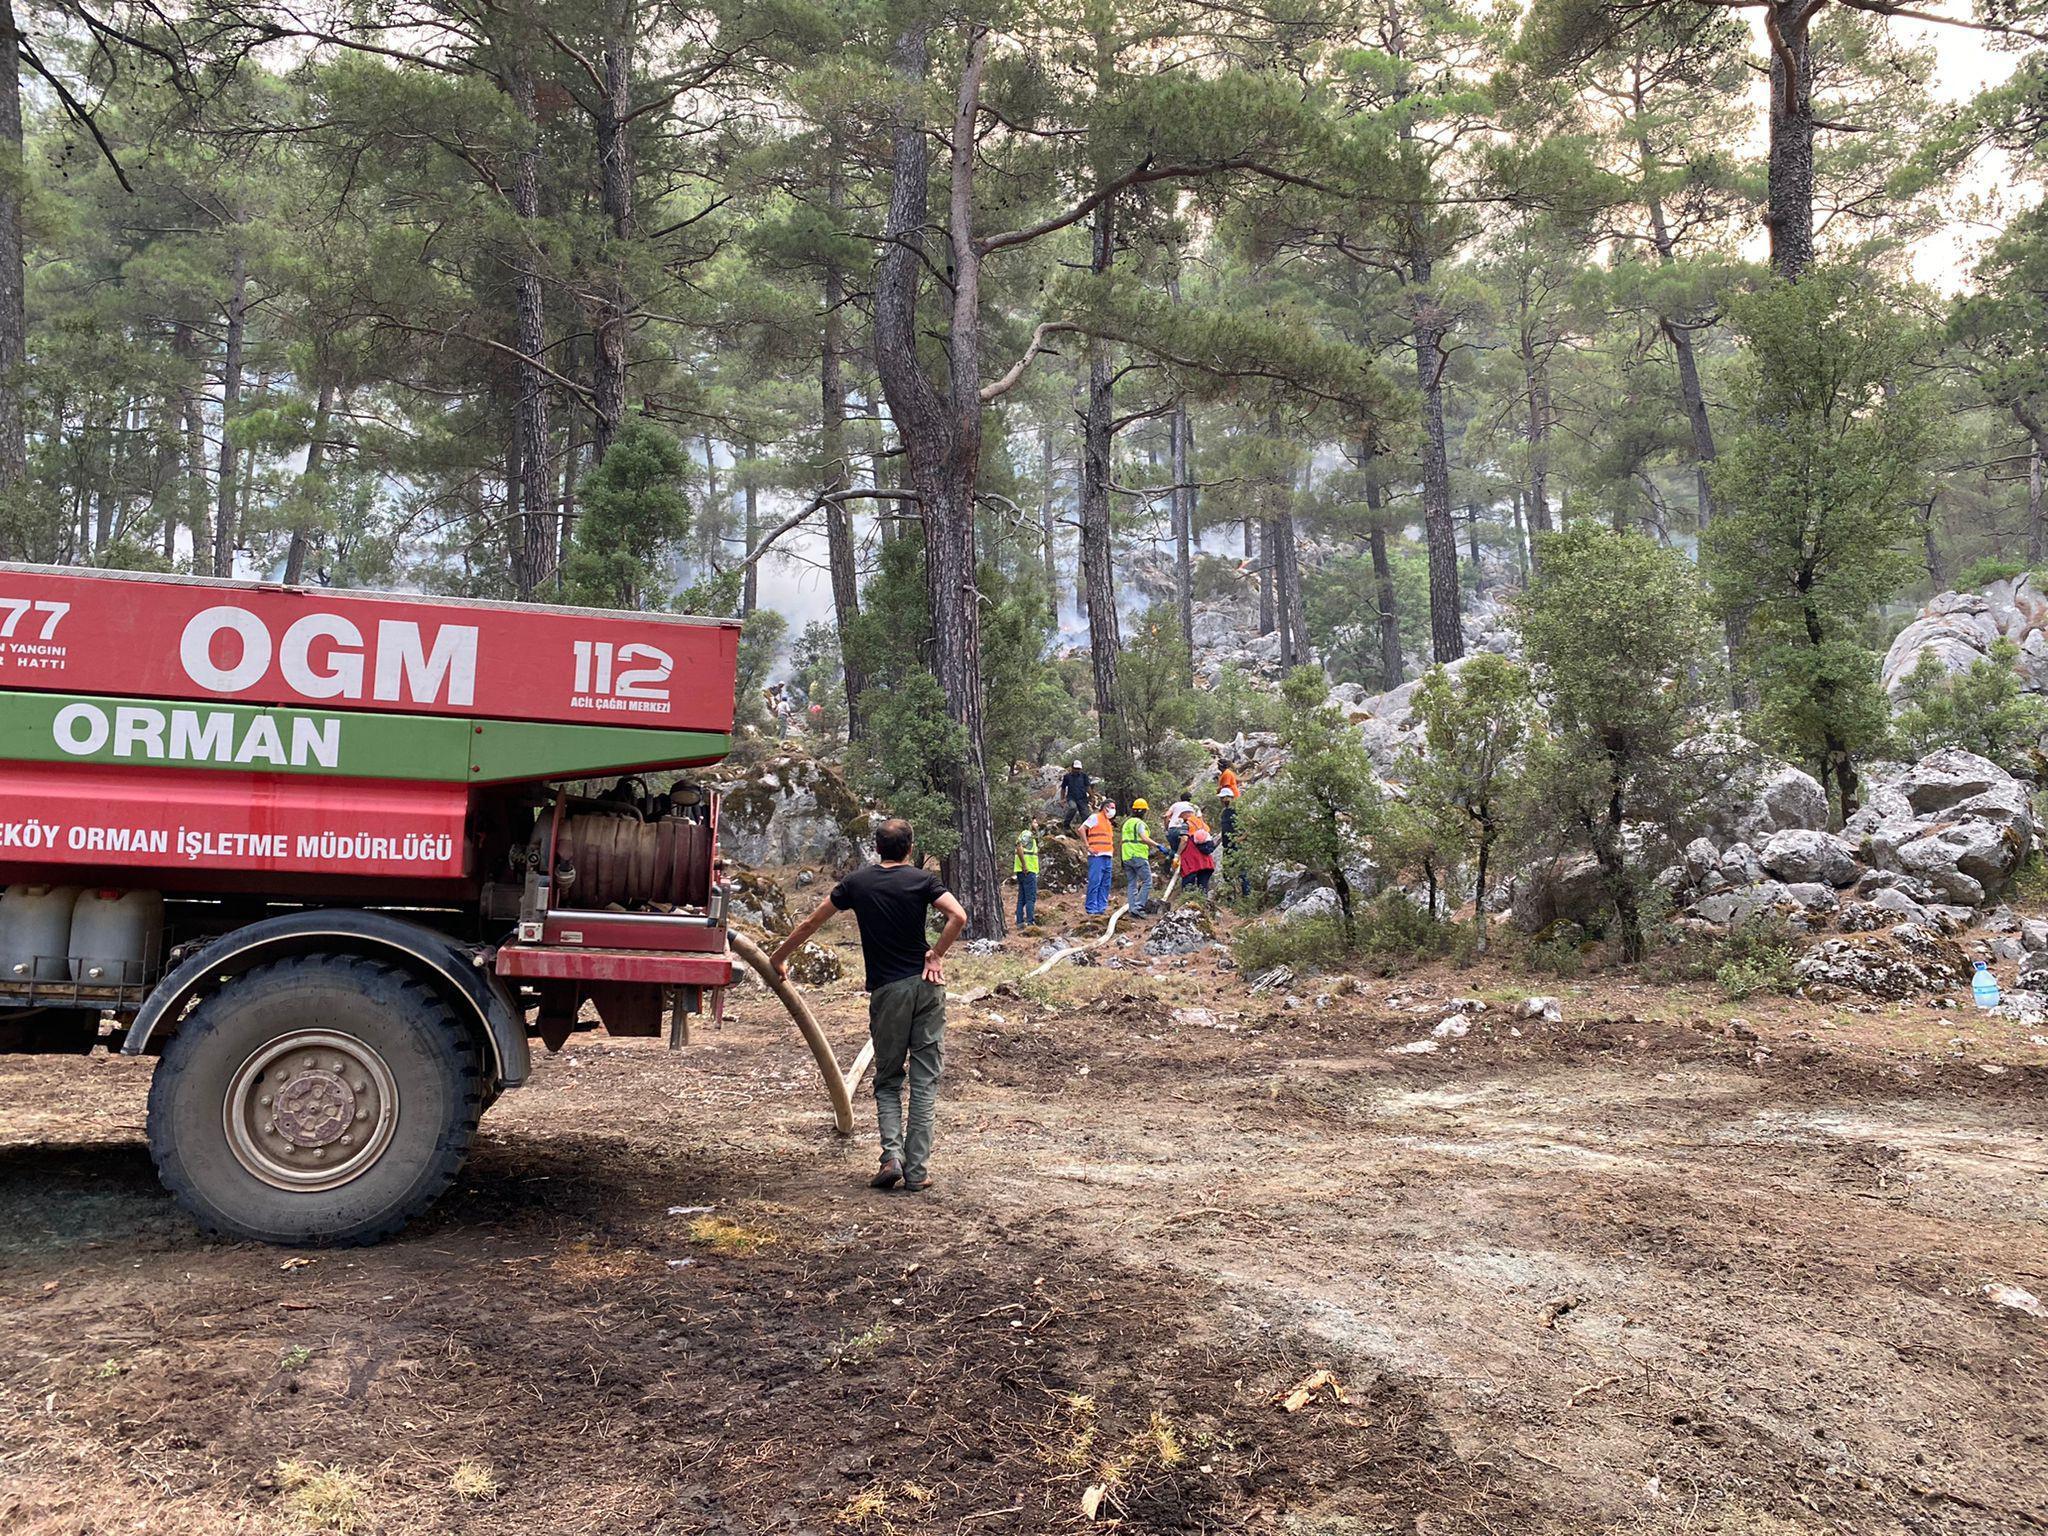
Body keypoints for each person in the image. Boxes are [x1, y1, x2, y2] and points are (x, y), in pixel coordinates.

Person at [770, 818, 966, 1194]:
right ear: (911, 848)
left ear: (877, 849)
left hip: (889, 991)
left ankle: (891, 1156)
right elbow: (958, 916)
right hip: (927, 988)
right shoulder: (923, 881)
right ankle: (918, 1172)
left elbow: (811, 922)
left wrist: (779, 957)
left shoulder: (857, 883)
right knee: (925, 1080)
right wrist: (936, 955)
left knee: (889, 1079)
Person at [1121, 799, 1162, 916]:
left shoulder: (1126, 823)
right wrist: (1158, 845)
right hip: (1138, 855)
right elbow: (1144, 838)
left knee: (1131, 883)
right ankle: (1138, 908)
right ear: (1143, 811)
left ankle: (1132, 908)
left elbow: (1123, 841)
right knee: (1147, 881)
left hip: (1126, 856)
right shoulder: (1140, 824)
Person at [1080, 798, 1118, 915]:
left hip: (1107, 856)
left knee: (1105, 883)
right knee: (1095, 881)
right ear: (1105, 807)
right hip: (1096, 856)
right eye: (1112, 807)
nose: (1113, 810)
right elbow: (1081, 829)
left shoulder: (1108, 822)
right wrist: (1087, 846)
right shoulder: (1095, 817)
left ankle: (1101, 907)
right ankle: (1091, 908)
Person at [1178, 808, 1217, 898]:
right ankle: (1203, 907)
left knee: (1188, 886)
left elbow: (1184, 840)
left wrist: (1178, 853)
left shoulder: (1186, 824)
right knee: (1203, 887)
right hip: (1205, 860)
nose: (1181, 818)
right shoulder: (1203, 824)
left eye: (1182, 815)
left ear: (1186, 814)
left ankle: (1187, 905)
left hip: (1192, 860)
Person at [1012, 823, 1040, 927]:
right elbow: (1019, 848)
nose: (1037, 824)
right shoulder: (1027, 834)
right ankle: (1030, 921)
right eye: (1035, 822)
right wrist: (1024, 865)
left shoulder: (1029, 835)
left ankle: (1020, 922)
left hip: (1024, 870)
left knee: (1022, 898)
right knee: (1030, 898)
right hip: (1027, 870)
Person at [1164, 793, 1197, 859]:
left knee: (1174, 850)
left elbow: (1166, 816)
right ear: (1191, 799)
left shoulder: (1175, 805)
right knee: (1185, 852)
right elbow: (1199, 820)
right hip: (1187, 829)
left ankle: (1170, 865)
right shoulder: (1194, 807)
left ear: (1181, 799)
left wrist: (1167, 828)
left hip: (1173, 829)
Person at [1060, 759, 1090, 830]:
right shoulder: (1067, 777)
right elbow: (1063, 788)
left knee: (1085, 815)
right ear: (1072, 768)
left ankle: (1086, 830)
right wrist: (1062, 799)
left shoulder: (1084, 776)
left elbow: (1087, 787)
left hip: (1082, 798)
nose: (1077, 770)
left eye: (1078, 769)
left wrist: (1092, 796)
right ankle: (1066, 825)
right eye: (1075, 768)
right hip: (1071, 797)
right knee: (1073, 808)